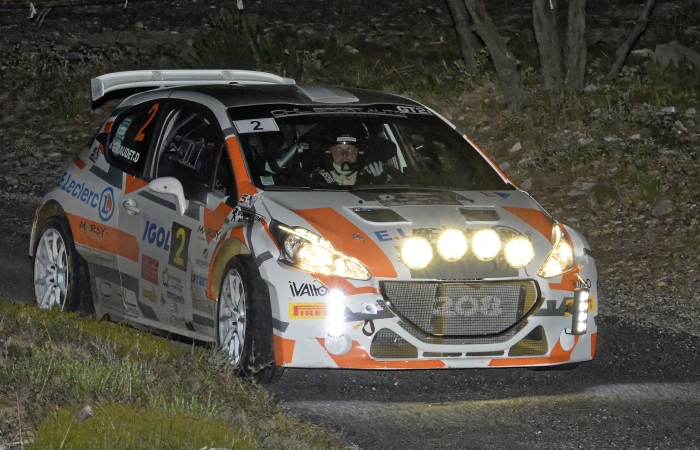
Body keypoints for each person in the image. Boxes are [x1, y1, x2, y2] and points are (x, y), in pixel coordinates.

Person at [310, 126, 397, 187]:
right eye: (338, 150)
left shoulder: (377, 173)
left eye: (350, 150)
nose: (344, 156)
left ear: (360, 152)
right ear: (329, 153)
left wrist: (383, 182)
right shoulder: (315, 179)